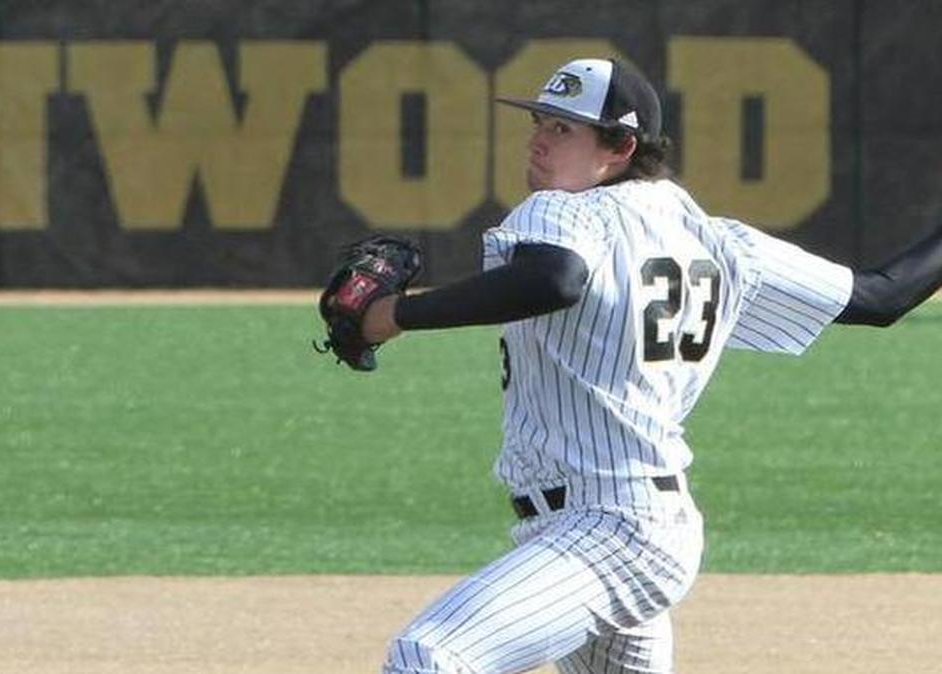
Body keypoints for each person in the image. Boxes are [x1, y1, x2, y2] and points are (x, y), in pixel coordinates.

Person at [360, 57, 942, 674]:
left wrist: (395, 315)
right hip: (636, 529)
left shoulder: (562, 211)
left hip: (606, 529)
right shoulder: (718, 241)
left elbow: (555, 279)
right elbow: (881, 297)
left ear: (620, 146)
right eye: (540, 120)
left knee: (428, 656)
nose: (537, 138)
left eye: (563, 129)